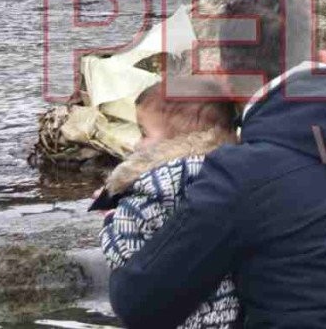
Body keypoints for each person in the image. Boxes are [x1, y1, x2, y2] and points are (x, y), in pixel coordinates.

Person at [107, 0, 326, 329]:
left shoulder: (241, 175)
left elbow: (140, 304)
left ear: (224, 79)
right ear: (322, 59)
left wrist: (121, 219)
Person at [96, 87, 240, 329]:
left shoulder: (152, 188)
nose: (136, 144)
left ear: (176, 141)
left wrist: (112, 218)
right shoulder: (232, 176)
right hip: (229, 315)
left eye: (143, 133)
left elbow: (124, 255)